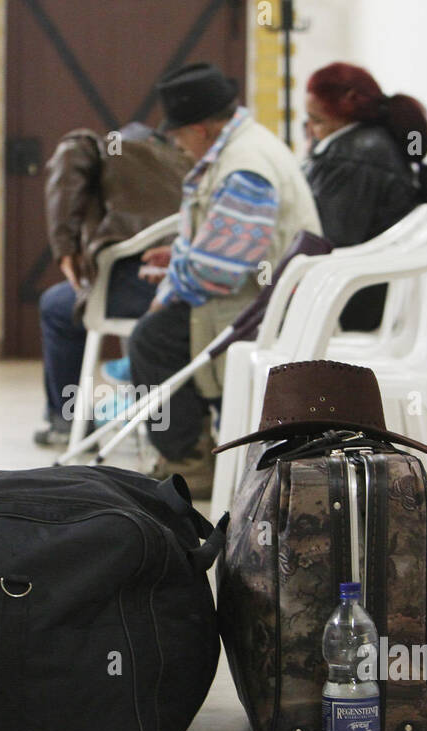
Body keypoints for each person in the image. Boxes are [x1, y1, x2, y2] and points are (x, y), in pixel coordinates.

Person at [128, 62, 321, 497]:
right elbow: (221, 246)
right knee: (161, 331)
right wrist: (180, 254)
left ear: (200, 130)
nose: (178, 148)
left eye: (178, 138)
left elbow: (216, 271)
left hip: (264, 311)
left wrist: (170, 287)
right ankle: (198, 451)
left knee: (152, 338)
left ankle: (190, 464)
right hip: (259, 298)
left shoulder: (244, 168)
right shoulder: (245, 146)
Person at [34, 121, 190, 447]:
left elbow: (72, 150)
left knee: (57, 305)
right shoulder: (191, 161)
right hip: (194, 287)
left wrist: (65, 250)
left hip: (141, 286)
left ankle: (66, 419)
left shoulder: (106, 152)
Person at [302, 62, 427, 331]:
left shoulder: (352, 157)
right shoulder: (371, 145)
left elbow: (330, 239)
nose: (310, 129)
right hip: (371, 295)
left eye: (317, 120)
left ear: (344, 111)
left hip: (351, 302)